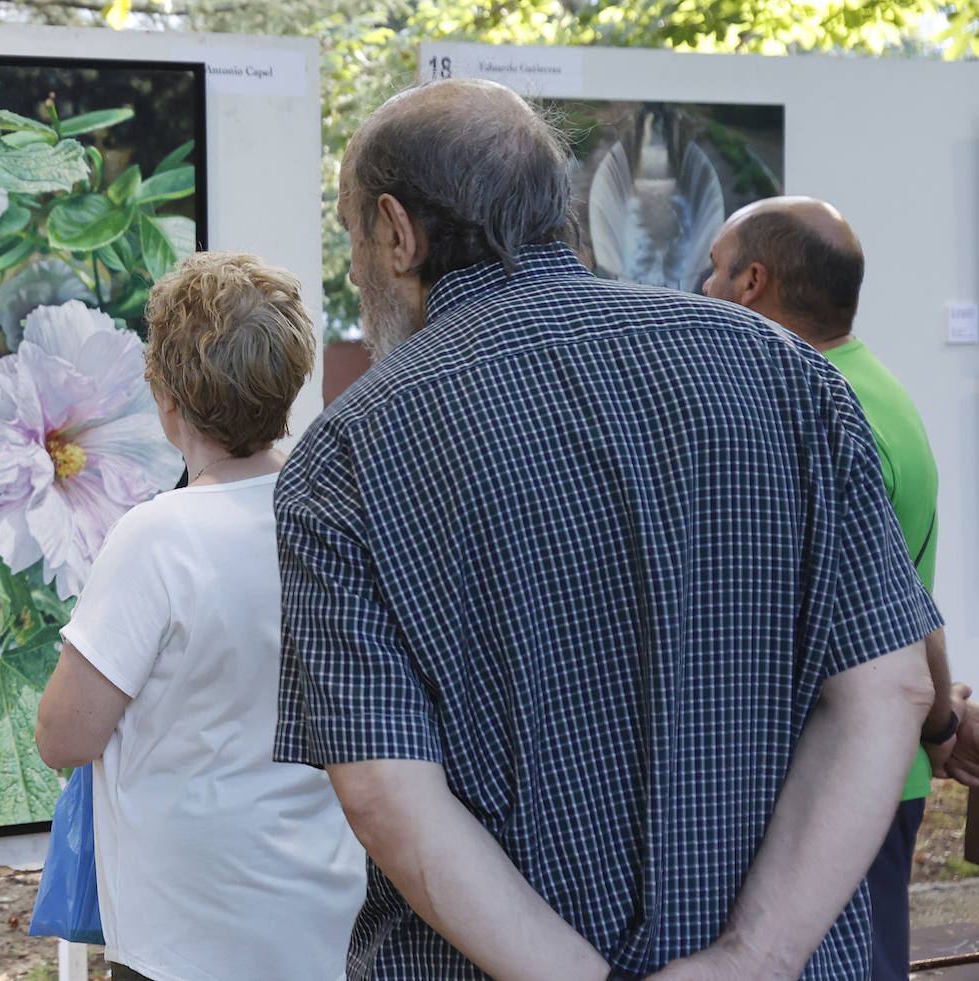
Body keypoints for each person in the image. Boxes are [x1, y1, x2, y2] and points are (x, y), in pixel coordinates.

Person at [273, 78, 940, 981]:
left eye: (354, 235)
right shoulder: (789, 377)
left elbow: (388, 796)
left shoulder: (343, 460)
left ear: (397, 230)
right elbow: (885, 693)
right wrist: (754, 957)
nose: (356, 268)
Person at [35, 251, 365, 981]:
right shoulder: (340, 521)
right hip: (328, 922)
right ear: (292, 379)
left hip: (186, 939)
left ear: (167, 397)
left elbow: (64, 735)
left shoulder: (157, 538)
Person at [702, 195, 966, 980]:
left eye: (713, 271)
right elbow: (909, 595)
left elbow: (894, 612)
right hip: (882, 767)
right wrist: (942, 720)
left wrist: (943, 717)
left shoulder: (819, 412)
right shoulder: (873, 387)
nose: (703, 289)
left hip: (849, 774)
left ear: (753, 282)